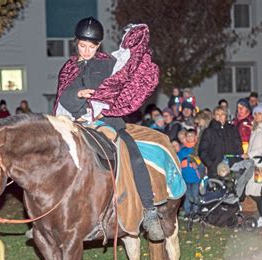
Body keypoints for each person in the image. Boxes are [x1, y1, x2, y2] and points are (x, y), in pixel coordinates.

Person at [53, 17, 164, 241]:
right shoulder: (69, 68)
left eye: (91, 47)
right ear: (76, 43)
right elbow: (63, 96)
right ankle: (53, 214)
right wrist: (77, 95)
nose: (86, 51)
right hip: (77, 123)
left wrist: (105, 106)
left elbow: (123, 86)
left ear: (98, 46)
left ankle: (149, 210)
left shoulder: (109, 63)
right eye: (82, 46)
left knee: (131, 152)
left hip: (107, 120)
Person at [198, 106, 242, 178]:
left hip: (232, 168)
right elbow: (203, 151)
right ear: (214, 116)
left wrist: (238, 161)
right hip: (216, 170)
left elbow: (238, 147)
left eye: (222, 114)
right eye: (217, 114)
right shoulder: (209, 131)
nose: (220, 117)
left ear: (226, 116)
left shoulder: (232, 129)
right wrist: (212, 164)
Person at [245, 104, 262, 217]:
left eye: (259, 113)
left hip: (260, 164)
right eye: (255, 113)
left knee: (256, 190)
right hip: (253, 163)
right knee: (250, 190)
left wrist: (249, 154)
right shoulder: (256, 128)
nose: (257, 115)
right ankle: (258, 215)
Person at [177, 129, 203, 219]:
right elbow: (178, 162)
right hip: (185, 178)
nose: (190, 137)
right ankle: (187, 212)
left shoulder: (198, 149)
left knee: (195, 195)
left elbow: (202, 161)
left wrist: (197, 164)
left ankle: (195, 213)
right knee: (187, 196)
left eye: (192, 135)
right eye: (188, 136)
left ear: (195, 137)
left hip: (196, 178)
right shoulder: (182, 151)